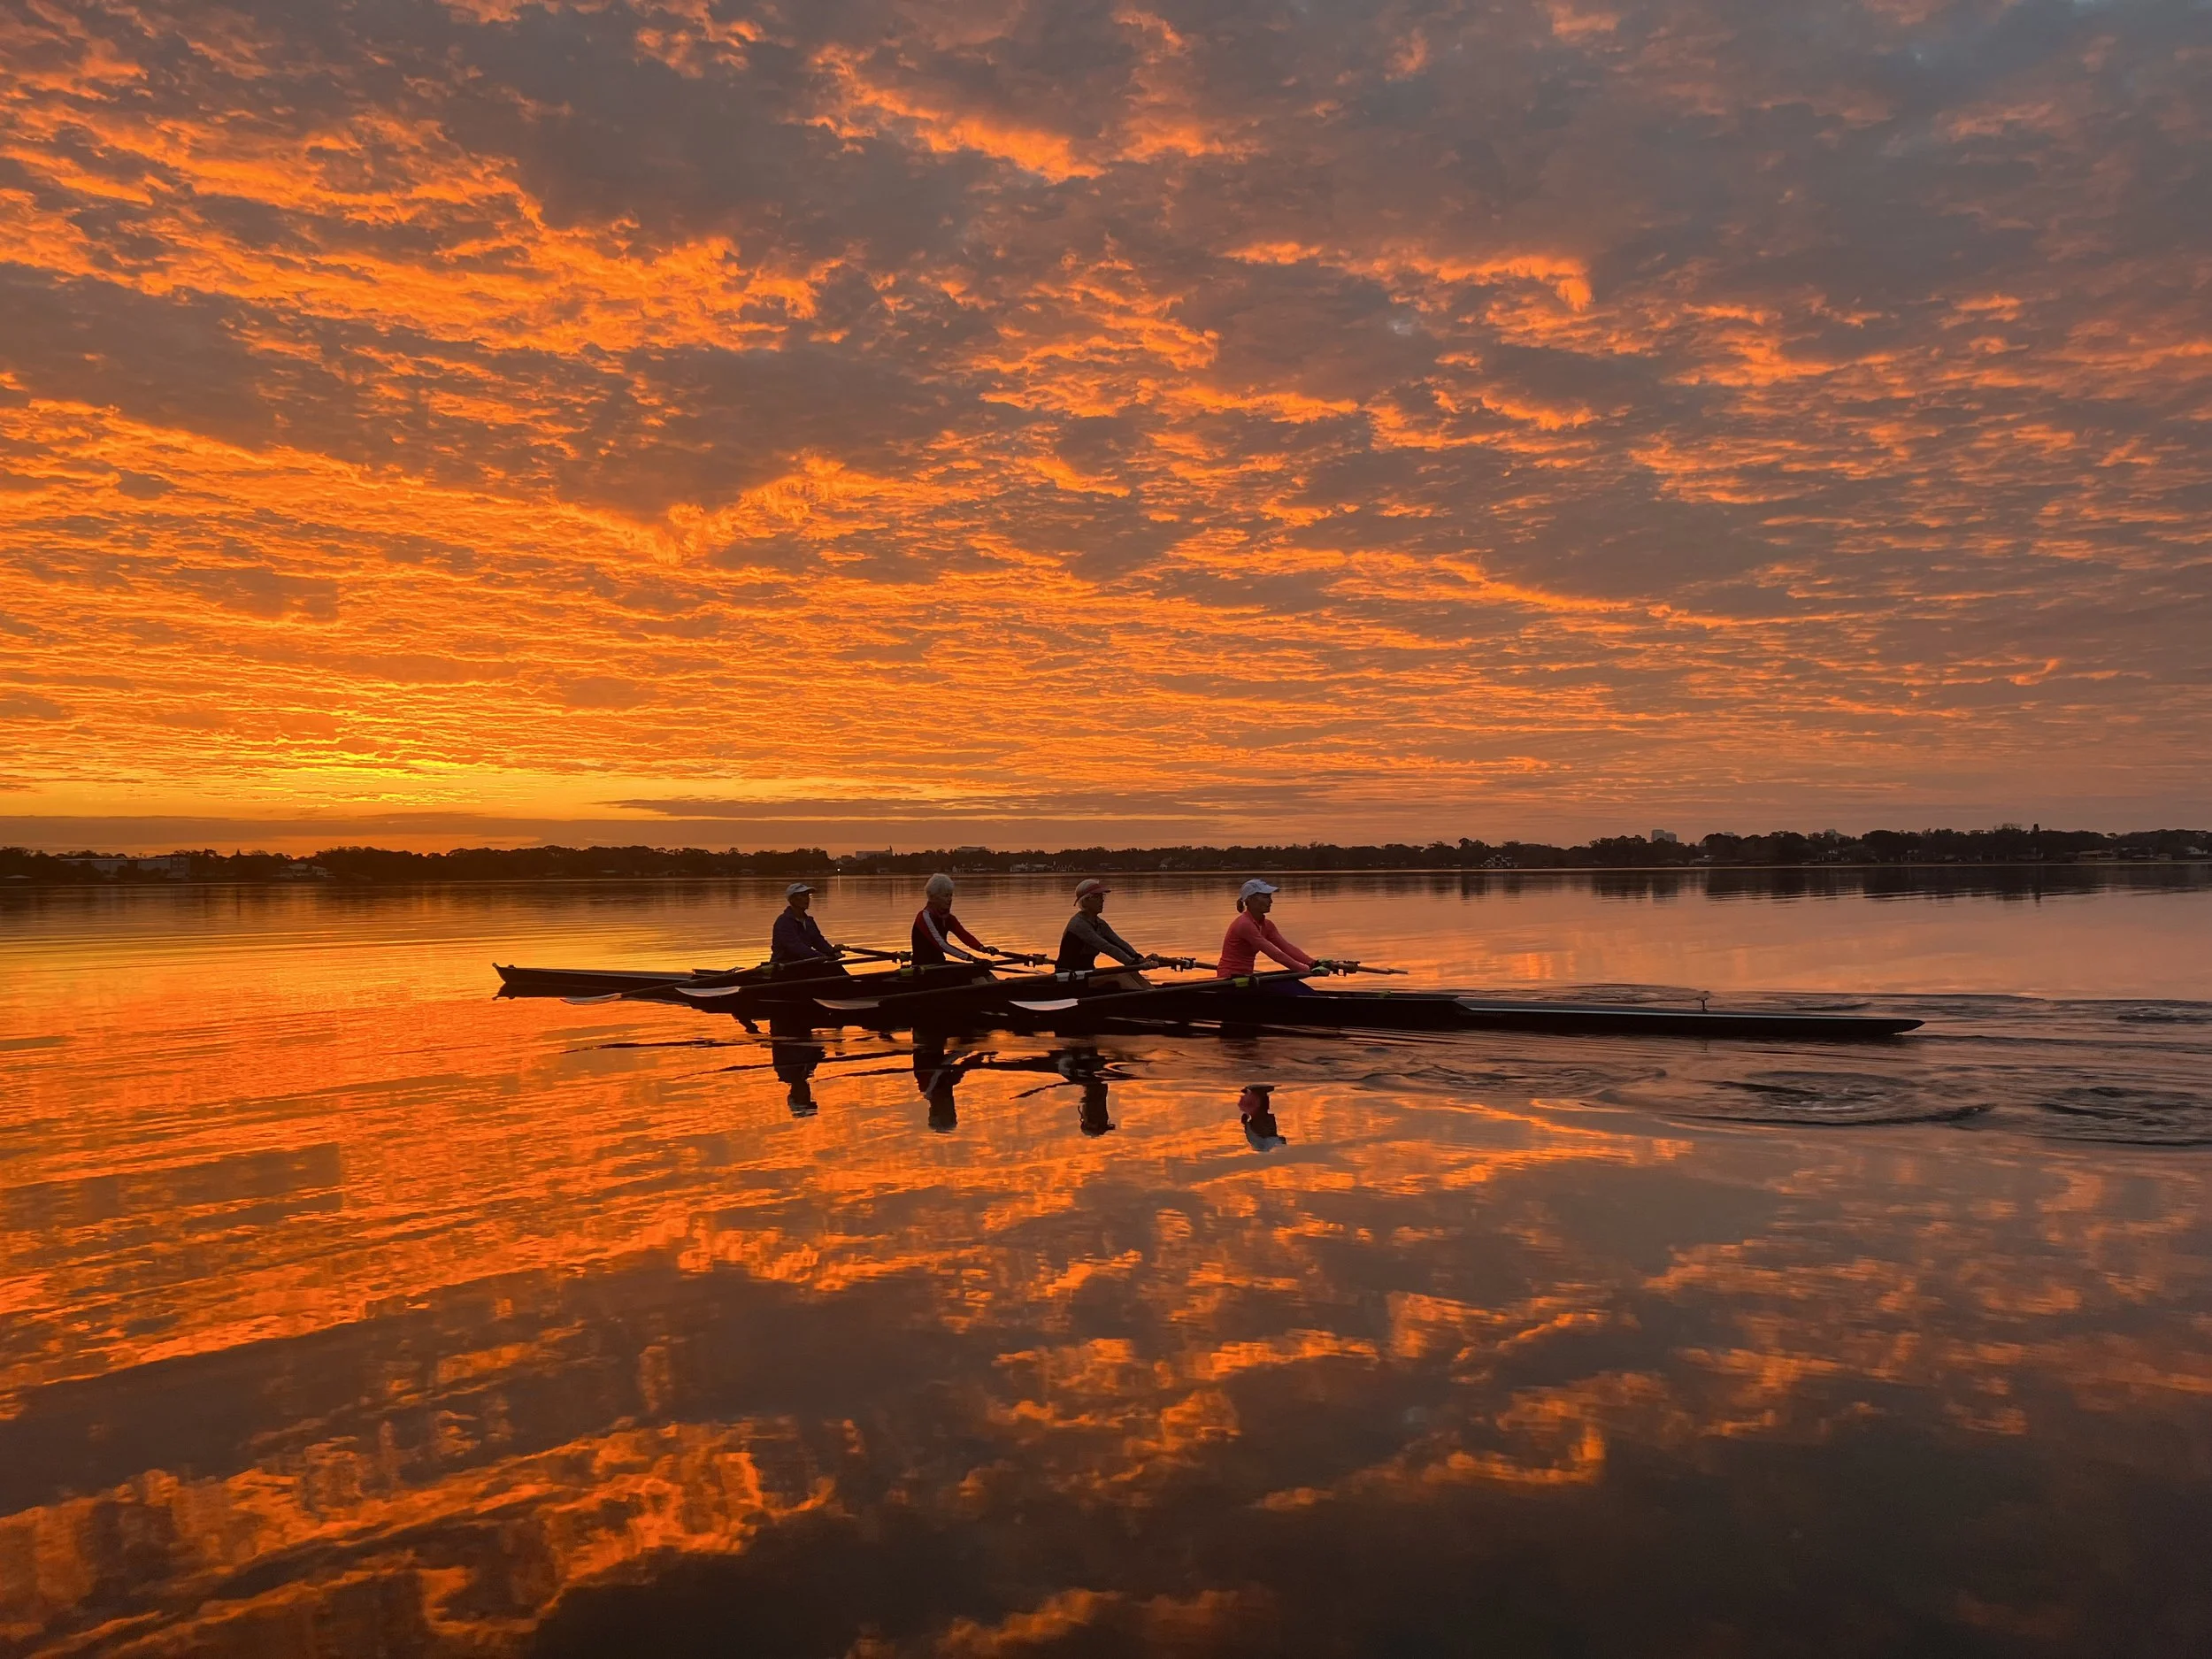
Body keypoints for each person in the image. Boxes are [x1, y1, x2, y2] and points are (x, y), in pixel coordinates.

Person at [1217, 879, 1336, 981]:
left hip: (1247, 977)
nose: (1271, 901)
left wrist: (1313, 963)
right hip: (1229, 979)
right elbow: (1275, 954)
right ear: (1250, 900)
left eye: (1270, 896)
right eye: (1265, 897)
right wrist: (1308, 971)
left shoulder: (1267, 925)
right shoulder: (1244, 924)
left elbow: (1287, 948)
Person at [1055, 879, 1159, 973]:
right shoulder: (1079, 925)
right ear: (1086, 901)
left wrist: (1139, 958)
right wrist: (1132, 963)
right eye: (1097, 897)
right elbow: (1107, 947)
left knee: (1132, 975)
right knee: (1121, 977)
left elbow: (1118, 943)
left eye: (1102, 896)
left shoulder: (1099, 923)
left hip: (1087, 973)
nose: (1102, 900)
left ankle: (1151, 992)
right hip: (1068, 976)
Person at [911, 873, 1011, 967]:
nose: (950, 899)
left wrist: (982, 948)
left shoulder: (948, 918)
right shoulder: (924, 917)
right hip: (923, 969)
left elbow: (963, 935)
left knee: (982, 972)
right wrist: (971, 958)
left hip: (939, 964)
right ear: (932, 898)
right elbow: (941, 944)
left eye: (951, 895)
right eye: (946, 896)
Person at [771, 882, 839, 965]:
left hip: (805, 963)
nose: (807, 899)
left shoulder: (809, 921)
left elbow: (818, 941)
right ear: (792, 899)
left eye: (807, 895)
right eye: (802, 895)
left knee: (836, 967)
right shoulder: (783, 922)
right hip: (785, 965)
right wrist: (820, 956)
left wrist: (832, 951)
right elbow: (795, 947)